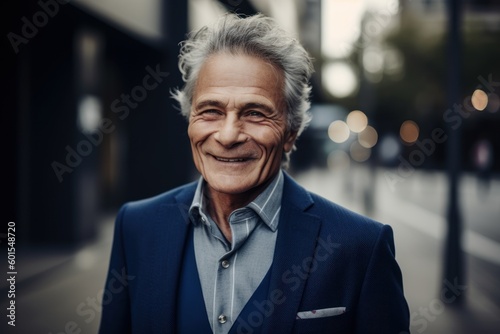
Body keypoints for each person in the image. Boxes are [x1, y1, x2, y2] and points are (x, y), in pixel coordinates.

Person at [99, 13, 410, 334]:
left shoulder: (359, 246)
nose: (229, 135)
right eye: (211, 111)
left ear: (291, 131)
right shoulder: (136, 227)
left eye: (255, 113)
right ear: (189, 119)